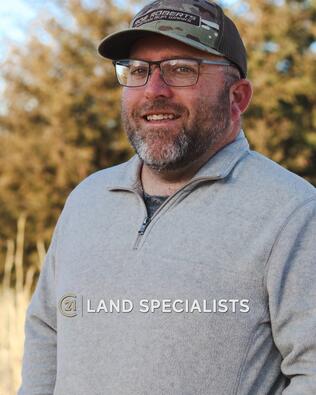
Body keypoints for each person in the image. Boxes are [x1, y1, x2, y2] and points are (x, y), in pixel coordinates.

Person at [19, 1, 316, 394]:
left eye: (181, 69)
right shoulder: (87, 200)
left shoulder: (293, 212)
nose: (153, 91)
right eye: (138, 71)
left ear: (238, 97)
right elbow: (47, 333)